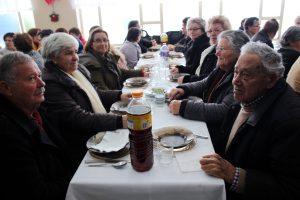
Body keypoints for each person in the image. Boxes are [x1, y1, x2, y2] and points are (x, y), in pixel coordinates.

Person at [200, 42, 300, 200]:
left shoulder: (290, 120)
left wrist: (233, 174)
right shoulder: (248, 95)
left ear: (271, 79)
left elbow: (289, 189)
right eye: (236, 72)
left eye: (246, 75)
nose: (235, 81)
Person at [41, 32, 131, 171]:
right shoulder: (51, 83)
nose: (75, 57)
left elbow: (95, 93)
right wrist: (119, 121)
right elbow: (77, 118)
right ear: (53, 57)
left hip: (95, 130)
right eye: (68, 53)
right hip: (82, 144)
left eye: (75, 52)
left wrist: (120, 95)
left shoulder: (76, 70)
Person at [0, 52, 73, 200]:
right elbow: (37, 193)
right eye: (32, 78)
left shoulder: (38, 110)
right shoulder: (6, 131)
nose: (42, 83)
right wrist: (79, 180)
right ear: (6, 88)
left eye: (40, 75)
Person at [168, 30, 249, 137]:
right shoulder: (222, 68)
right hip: (206, 123)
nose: (217, 53)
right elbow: (204, 83)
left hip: (216, 133)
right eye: (217, 48)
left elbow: (223, 111)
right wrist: (183, 89)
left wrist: (183, 107)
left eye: (222, 49)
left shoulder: (239, 77)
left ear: (239, 52)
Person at [79, 28, 148, 90]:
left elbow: (120, 72)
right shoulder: (91, 63)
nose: (103, 43)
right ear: (91, 44)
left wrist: (141, 72)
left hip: (118, 93)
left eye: (105, 40)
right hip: (111, 101)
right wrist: (120, 95)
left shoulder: (108, 56)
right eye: (98, 41)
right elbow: (101, 91)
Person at [178, 15, 232, 84]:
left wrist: (188, 79)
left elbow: (213, 79)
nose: (212, 33)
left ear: (226, 31)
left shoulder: (226, 52)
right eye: (210, 31)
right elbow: (201, 73)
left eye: (217, 30)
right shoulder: (210, 49)